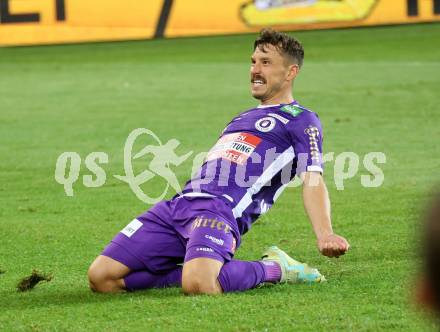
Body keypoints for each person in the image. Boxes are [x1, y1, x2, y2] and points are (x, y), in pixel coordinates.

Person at [88, 28, 350, 294]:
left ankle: (277, 268)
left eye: (266, 62)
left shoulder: (301, 120)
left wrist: (325, 233)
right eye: (253, 61)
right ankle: (197, 266)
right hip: (179, 205)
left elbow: (313, 178)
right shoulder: (240, 118)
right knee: (102, 278)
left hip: (219, 212)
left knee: (199, 285)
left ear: (291, 72)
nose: (255, 69)